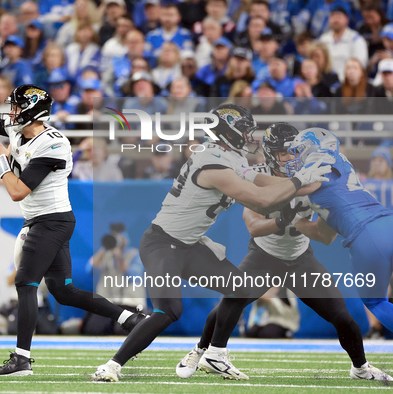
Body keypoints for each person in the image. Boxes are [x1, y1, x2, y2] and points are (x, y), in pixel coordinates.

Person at [0, 84, 147, 376]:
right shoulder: (19, 129)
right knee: (64, 291)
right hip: (44, 220)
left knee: (25, 283)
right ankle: (130, 318)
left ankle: (21, 359)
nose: (12, 112)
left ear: (34, 111)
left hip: (51, 220)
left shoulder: (53, 143)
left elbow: (17, 191)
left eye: (18, 107)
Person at [91, 104, 332, 382]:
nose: (248, 136)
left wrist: (311, 183)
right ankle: (112, 365)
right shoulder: (213, 161)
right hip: (162, 243)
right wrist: (302, 180)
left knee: (242, 288)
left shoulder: (229, 155)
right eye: (243, 130)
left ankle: (214, 354)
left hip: (189, 244)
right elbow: (261, 199)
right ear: (226, 130)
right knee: (168, 310)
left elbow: (265, 182)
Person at [175, 123, 392, 382]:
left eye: (294, 151)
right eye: (283, 153)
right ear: (269, 154)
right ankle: (202, 351)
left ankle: (361, 368)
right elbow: (254, 227)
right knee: (232, 297)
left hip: (301, 257)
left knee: (342, 315)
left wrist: (310, 218)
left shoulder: (313, 174)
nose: (291, 158)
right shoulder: (255, 176)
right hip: (265, 255)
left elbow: (325, 236)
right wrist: (283, 220)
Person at [284, 128, 393, 336]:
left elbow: (286, 190)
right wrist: (294, 220)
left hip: (367, 236)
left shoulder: (316, 167)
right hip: (388, 223)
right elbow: (325, 235)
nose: (295, 157)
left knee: (376, 302)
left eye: (299, 151)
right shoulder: (340, 164)